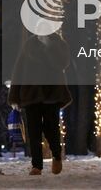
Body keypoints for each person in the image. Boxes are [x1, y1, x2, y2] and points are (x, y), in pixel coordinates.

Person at [7, 31, 72, 175]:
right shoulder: (29, 45)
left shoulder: (58, 44)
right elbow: (18, 70)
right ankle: (36, 165)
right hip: (31, 95)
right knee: (33, 132)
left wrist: (50, 47)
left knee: (51, 130)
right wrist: (15, 98)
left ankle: (56, 155)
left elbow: (63, 63)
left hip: (52, 95)